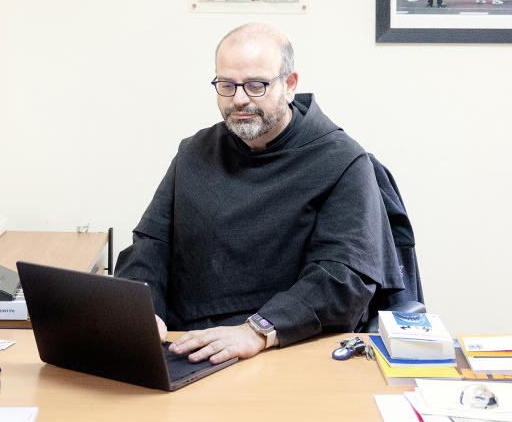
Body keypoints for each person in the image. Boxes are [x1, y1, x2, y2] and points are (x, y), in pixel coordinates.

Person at [114, 24, 403, 364]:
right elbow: (150, 247)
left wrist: (257, 331)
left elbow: (343, 279)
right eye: (226, 85)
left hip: (289, 345)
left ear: (289, 85)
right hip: (188, 346)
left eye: (256, 85)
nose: (239, 99)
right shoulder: (195, 152)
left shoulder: (341, 160)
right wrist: (141, 312)